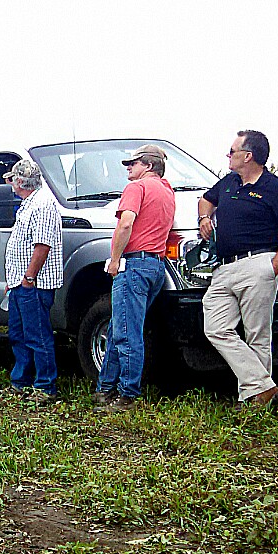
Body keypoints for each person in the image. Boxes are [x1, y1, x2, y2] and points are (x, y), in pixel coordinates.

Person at [200, 130, 278, 408]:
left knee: (257, 333)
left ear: (248, 156)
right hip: (225, 268)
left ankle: (254, 399)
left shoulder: (275, 187)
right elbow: (206, 200)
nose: (227, 156)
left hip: (259, 263)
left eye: (232, 151)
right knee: (216, 328)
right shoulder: (229, 183)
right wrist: (204, 218)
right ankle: (265, 387)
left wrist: (273, 267)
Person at [90, 145, 176, 410]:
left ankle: (127, 394)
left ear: (148, 166)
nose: (128, 167)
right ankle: (105, 388)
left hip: (134, 265)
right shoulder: (168, 191)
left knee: (126, 333)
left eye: (133, 163)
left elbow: (126, 223)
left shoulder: (136, 189)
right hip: (155, 266)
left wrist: (115, 260)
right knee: (120, 326)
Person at [3, 160, 64, 402]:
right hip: (20, 283)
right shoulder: (29, 204)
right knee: (19, 334)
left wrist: (29, 277)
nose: (10, 184)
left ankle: (45, 386)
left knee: (38, 335)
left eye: (11, 180)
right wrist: (14, 279)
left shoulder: (42, 204)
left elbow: (42, 245)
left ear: (19, 181)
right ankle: (22, 381)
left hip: (34, 285)